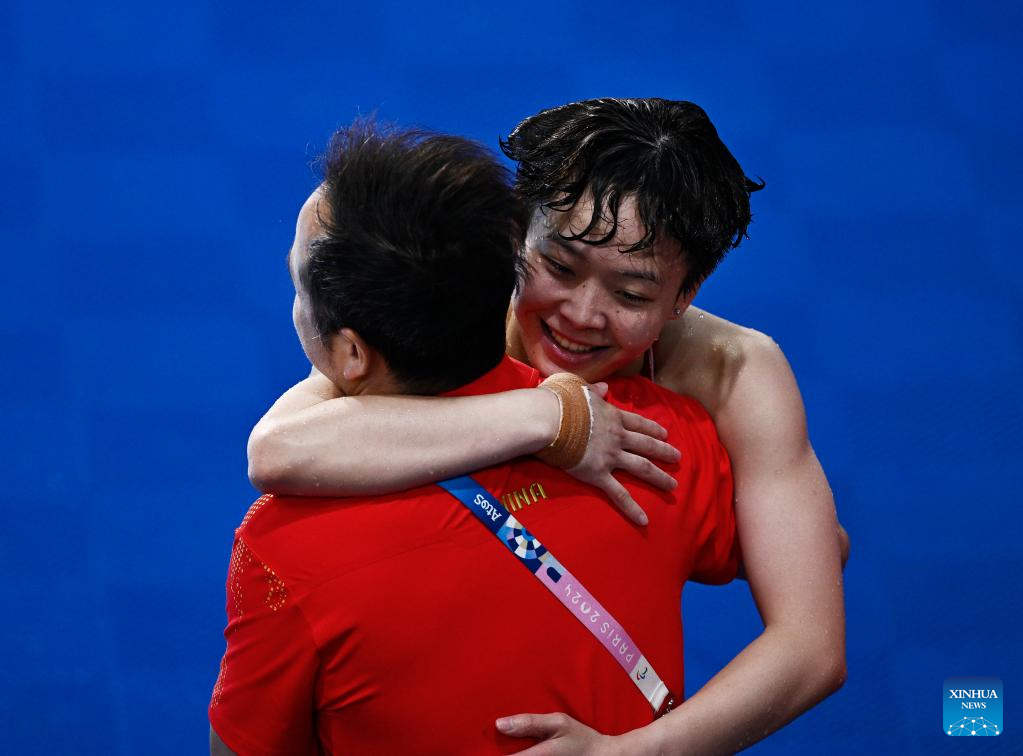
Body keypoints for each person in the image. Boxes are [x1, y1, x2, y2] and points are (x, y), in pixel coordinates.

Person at [246, 99, 847, 750]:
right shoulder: (454, 307)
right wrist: (552, 416)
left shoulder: (735, 373)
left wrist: (634, 753)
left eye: (631, 295)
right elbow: (279, 449)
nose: (581, 315)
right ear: (516, 235)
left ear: (685, 295)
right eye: (557, 267)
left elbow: (811, 639)